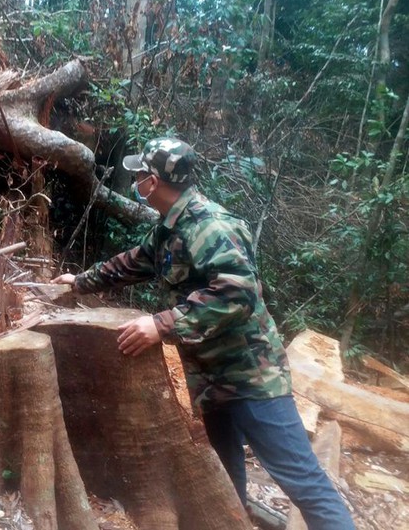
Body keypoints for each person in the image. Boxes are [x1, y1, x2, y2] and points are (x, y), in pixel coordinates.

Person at [52, 137, 355, 530]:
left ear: (153, 182)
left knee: (303, 482)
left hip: (252, 378)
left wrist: (161, 324)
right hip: (210, 381)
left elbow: (238, 293)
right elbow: (132, 263)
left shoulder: (211, 226)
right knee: (223, 484)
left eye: (140, 175)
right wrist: (79, 281)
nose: (136, 182)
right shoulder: (170, 228)